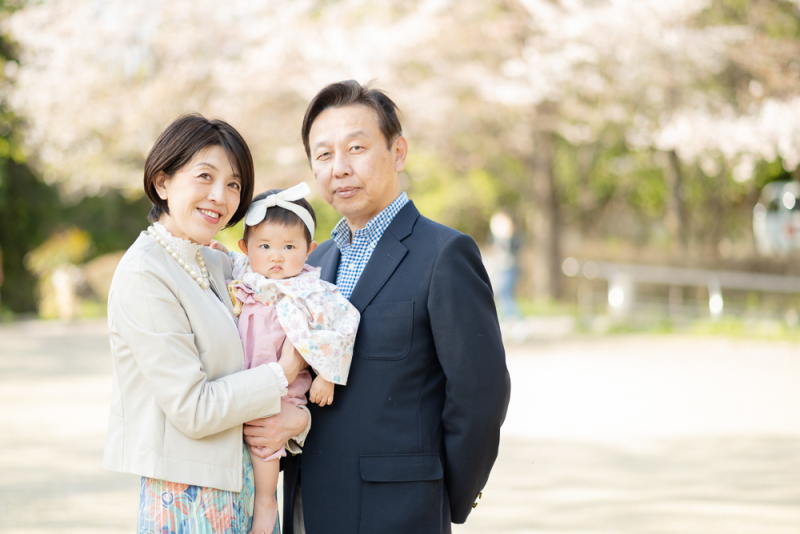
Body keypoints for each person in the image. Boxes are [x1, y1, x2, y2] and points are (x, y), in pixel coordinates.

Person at [274, 81, 511, 534]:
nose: (339, 168)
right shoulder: (314, 263)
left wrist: (445, 494)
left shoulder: (444, 254)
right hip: (307, 506)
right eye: (323, 155)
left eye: (356, 148)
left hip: (399, 512)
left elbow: (480, 393)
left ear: (398, 152)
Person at [103, 113, 310, 534]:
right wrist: (284, 372)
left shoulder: (214, 262)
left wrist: (300, 418)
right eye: (205, 176)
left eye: (234, 184)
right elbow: (193, 409)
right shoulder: (145, 273)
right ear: (162, 182)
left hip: (243, 485)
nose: (220, 196)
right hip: (187, 496)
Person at [228, 183, 359, 533]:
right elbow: (230, 261)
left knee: (264, 447)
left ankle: (266, 504)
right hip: (241, 383)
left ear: (309, 250)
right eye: (265, 246)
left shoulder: (312, 291)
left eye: (289, 247)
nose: (276, 256)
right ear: (246, 248)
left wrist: (327, 375)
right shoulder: (248, 277)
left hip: (281, 394)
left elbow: (342, 327)